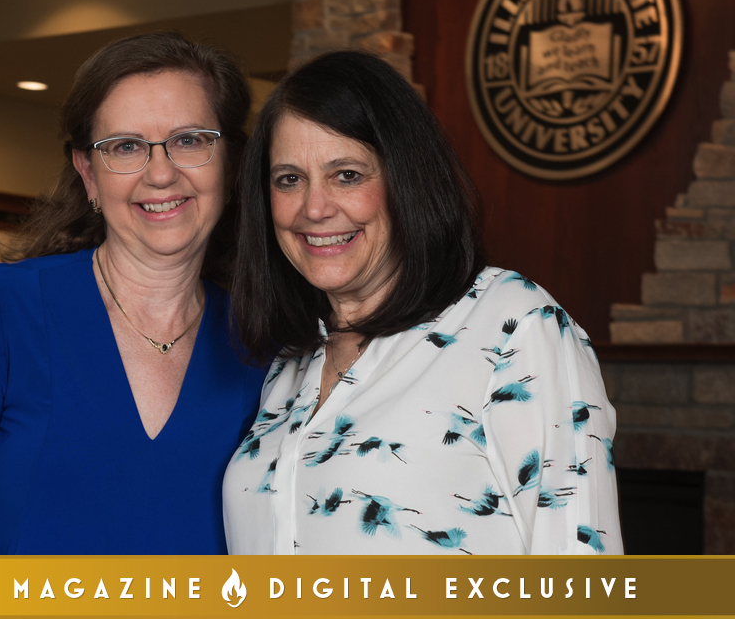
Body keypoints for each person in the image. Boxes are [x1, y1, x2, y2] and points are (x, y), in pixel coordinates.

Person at [0, 32, 264, 555]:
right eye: (125, 146)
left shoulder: (261, 342)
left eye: (189, 140)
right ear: (88, 174)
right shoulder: (2, 308)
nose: (161, 172)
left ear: (232, 163)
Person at [223, 51, 623, 556]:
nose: (315, 208)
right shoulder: (289, 365)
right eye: (289, 179)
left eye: (347, 174)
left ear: (405, 179)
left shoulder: (514, 326)